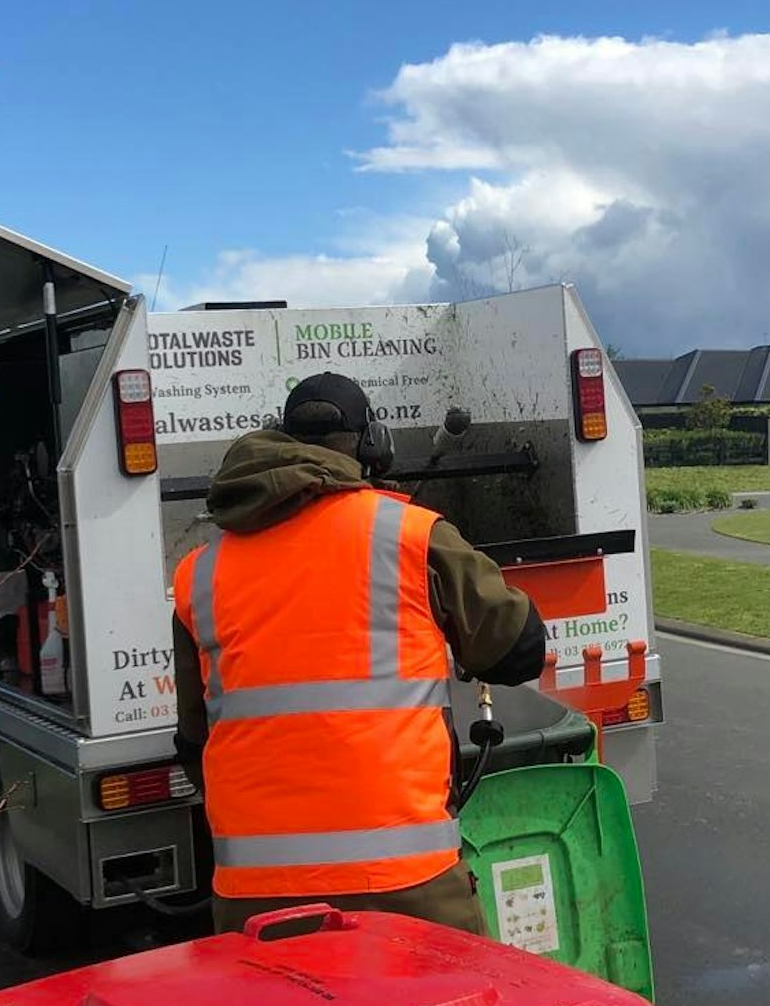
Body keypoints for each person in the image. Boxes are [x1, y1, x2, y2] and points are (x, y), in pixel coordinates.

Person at [173, 372, 546, 935]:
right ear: (374, 443)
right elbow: (520, 650)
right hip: (409, 884)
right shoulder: (412, 535)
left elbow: (193, 744)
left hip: (256, 901)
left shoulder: (200, 572)